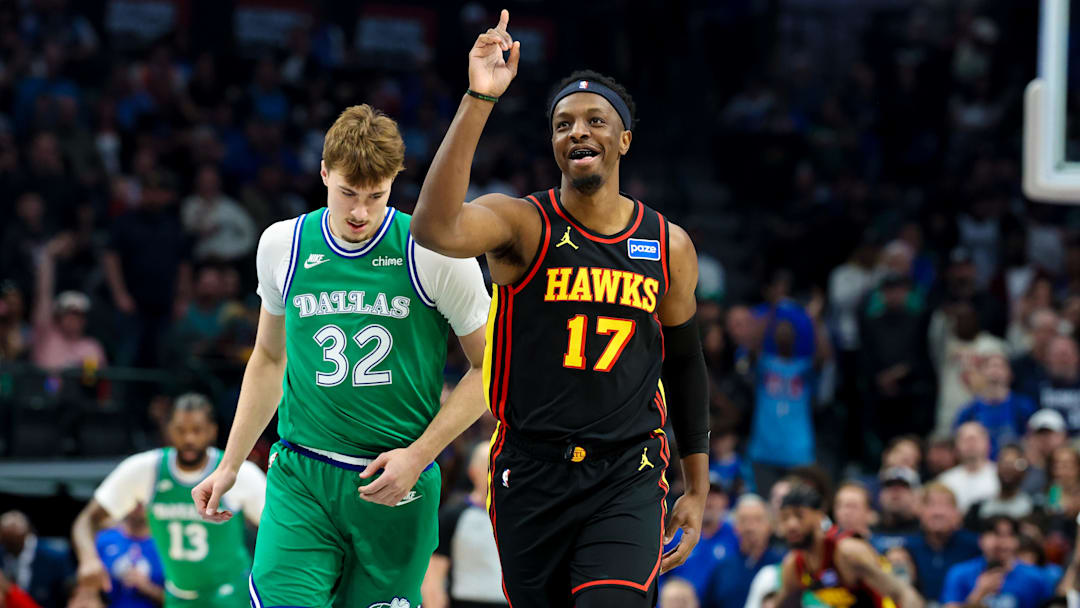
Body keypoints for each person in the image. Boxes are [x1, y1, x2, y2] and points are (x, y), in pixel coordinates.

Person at [410, 10, 710, 608]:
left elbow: (685, 364)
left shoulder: (668, 244)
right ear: (552, 143)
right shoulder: (524, 223)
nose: (579, 132)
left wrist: (696, 489)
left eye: (596, 121)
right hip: (531, 469)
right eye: (564, 123)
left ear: (623, 139)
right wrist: (478, 96)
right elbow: (434, 227)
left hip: (628, 471)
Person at [191, 103, 491, 608]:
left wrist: (419, 456)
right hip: (301, 476)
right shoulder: (282, 245)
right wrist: (232, 463)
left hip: (396, 484)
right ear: (324, 172)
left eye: (375, 195)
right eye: (348, 192)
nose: (359, 211)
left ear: (396, 179)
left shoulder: (433, 253)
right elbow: (268, 358)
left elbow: (492, 368)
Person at [70, 394, 265, 608]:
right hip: (177, 596)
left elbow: (277, 528)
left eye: (197, 430)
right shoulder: (145, 470)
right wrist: (88, 558)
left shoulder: (237, 473)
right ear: (168, 430)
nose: (189, 439)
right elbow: (87, 520)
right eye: (181, 430)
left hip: (231, 596)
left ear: (212, 431)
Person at [777, 484, 923, 608]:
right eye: (785, 518)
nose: (791, 525)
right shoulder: (795, 564)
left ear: (820, 515)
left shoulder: (847, 552)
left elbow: (904, 593)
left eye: (799, 515)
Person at [422, 442, 507, 608]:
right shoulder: (452, 516)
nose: (495, 474)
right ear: (473, 472)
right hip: (466, 601)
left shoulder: (520, 516)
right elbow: (433, 579)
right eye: (490, 467)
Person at [30, 234, 106, 372]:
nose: (73, 319)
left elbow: (96, 384)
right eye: (68, 313)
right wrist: (48, 257)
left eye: (78, 314)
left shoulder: (91, 347)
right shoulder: (46, 337)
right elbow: (44, 295)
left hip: (79, 393)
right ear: (58, 316)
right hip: (42, 393)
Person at [941, 516, 1052, 608]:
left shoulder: (1036, 577)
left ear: (1017, 541)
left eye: (1009, 535)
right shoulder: (959, 573)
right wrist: (978, 594)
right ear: (981, 540)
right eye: (995, 533)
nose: (1002, 542)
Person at [901, 483, 981, 603]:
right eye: (931, 505)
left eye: (946, 506)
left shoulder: (976, 546)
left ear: (957, 513)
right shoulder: (908, 547)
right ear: (919, 511)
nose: (938, 512)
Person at [702, 495, 783, 608]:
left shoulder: (782, 564)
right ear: (735, 526)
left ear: (770, 525)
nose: (750, 527)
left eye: (757, 520)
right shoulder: (723, 568)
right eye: (744, 520)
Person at [663, 480, 738, 600]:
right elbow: (659, 575)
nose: (709, 502)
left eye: (715, 495)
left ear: (725, 501)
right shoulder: (674, 536)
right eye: (705, 495)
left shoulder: (735, 535)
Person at [953, 353, 1036, 459]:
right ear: (981, 373)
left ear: (1009, 373)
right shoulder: (968, 411)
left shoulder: (1023, 406)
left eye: (1000, 366)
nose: (995, 371)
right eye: (989, 366)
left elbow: (1032, 441)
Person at [94, 506, 165, 608]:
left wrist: (148, 587)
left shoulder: (165, 545)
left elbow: (178, 600)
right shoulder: (104, 540)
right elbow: (88, 592)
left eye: (143, 499)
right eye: (132, 498)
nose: (138, 504)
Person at [0, 511, 70, 608]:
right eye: (6, 537)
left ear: (28, 531)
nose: (11, 537)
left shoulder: (55, 557)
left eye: (15, 531)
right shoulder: (2, 554)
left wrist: (8, 588)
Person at [963, 444, 1035, 528]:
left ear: (1024, 472)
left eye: (1013, 464)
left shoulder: (1031, 508)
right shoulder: (978, 508)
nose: (1008, 468)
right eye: (1004, 463)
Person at [938, 422, 1000, 515]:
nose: (971, 444)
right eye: (965, 440)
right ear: (956, 446)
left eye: (975, 439)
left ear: (988, 443)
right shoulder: (945, 481)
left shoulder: (1001, 475)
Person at [870, 467, 921, 553]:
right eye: (889, 486)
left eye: (903, 486)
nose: (895, 492)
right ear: (880, 495)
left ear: (915, 495)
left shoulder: (926, 532)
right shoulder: (869, 531)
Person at [1035, 336, 1080, 434]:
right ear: (1048, 358)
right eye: (1057, 355)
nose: (1062, 360)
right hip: (1048, 442)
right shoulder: (1036, 387)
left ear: (1077, 357)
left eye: (1066, 354)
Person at [1021, 409, 1068, 495]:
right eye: (1040, 433)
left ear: (1063, 436)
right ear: (1030, 437)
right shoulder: (1022, 466)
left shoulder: (1074, 466)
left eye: (1050, 433)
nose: (1045, 439)